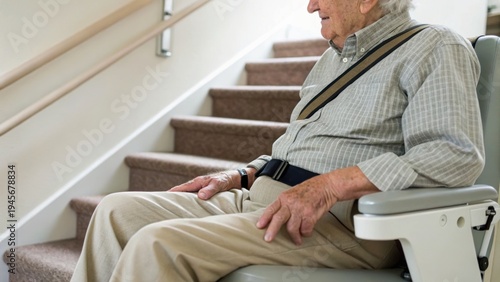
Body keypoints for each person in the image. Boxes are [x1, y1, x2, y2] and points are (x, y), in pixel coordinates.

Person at [71, 0, 485, 281]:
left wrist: (331, 185)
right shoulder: (333, 58)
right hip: (267, 198)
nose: (310, 5)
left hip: (338, 223)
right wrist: (242, 174)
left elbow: (455, 154)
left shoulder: (435, 46)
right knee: (115, 211)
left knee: (157, 244)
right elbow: (299, 145)